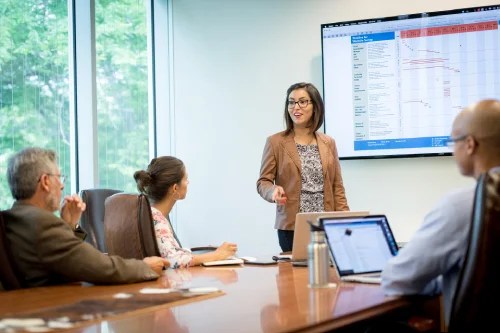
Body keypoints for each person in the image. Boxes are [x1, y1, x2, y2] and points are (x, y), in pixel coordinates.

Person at [381, 99, 500, 328]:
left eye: (452, 141)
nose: (452, 148)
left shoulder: (462, 206)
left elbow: (396, 280)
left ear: (469, 145)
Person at [3, 147, 169, 288]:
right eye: (59, 178)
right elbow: (100, 268)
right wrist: (145, 267)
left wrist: (70, 224)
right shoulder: (42, 223)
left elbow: (62, 261)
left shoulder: (17, 219)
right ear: (45, 181)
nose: (61, 185)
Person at [257, 82, 349, 252]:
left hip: (326, 223)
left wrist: (345, 220)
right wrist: (273, 191)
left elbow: (337, 186)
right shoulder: (275, 142)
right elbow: (263, 182)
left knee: (328, 274)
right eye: (291, 102)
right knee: (293, 277)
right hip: (292, 226)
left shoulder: (328, 142)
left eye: (302, 101)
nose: (295, 107)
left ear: (315, 106)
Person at [134, 156, 238, 269]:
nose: (188, 183)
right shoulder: (156, 218)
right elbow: (174, 260)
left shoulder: (149, 214)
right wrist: (217, 255)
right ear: (175, 188)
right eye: (186, 179)